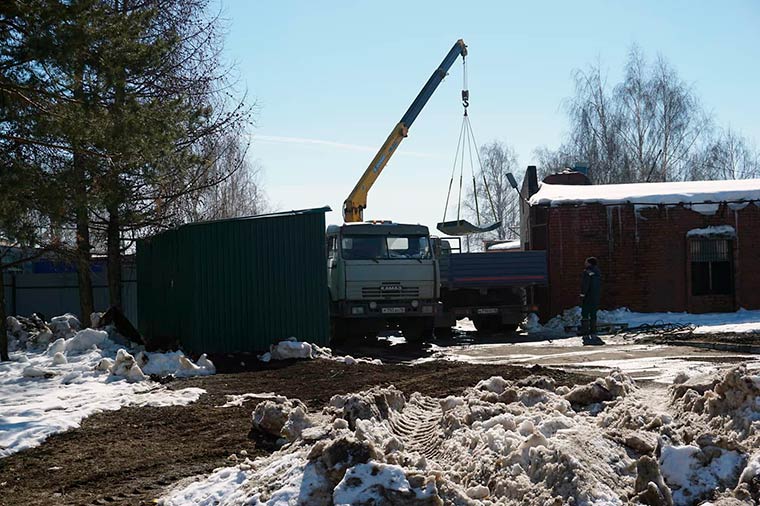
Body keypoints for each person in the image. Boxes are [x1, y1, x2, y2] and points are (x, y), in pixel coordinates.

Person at [579, 257, 603, 345]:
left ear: (589, 263)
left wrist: (582, 294)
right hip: (596, 296)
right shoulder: (598, 272)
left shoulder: (587, 272)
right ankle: (593, 332)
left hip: (588, 296)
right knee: (593, 314)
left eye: (586, 262)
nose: (585, 263)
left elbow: (585, 284)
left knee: (585, 313)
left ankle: (585, 332)